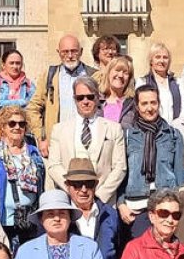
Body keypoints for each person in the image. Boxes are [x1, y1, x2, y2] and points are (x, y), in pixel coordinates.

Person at [119, 85, 184, 238]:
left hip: (165, 205)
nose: (149, 108)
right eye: (144, 104)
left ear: (159, 104)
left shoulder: (173, 135)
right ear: (137, 106)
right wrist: (121, 204)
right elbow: (121, 173)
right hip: (136, 207)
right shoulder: (128, 136)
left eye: (153, 103)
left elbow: (181, 177)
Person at [46, 76, 127, 204]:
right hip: (70, 202)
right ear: (74, 99)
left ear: (97, 97)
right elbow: (54, 165)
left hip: (103, 202)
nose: (85, 101)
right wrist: (73, 190)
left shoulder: (114, 128)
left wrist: (100, 195)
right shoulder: (59, 130)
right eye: (80, 97)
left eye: (90, 97)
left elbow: (120, 167)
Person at [0, 105, 46, 250]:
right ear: (2, 127)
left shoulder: (33, 153)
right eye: (12, 123)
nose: (17, 127)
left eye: (22, 124)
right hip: (3, 219)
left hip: (29, 219)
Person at [27, 34, 94, 159]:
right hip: (56, 144)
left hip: (86, 142)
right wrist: (41, 137)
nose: (69, 55)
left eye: (74, 51)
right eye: (65, 52)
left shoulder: (93, 76)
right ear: (58, 52)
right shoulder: (50, 75)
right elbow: (33, 108)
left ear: (81, 52)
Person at [138, 42, 183, 122]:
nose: (162, 61)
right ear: (151, 60)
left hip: (174, 129)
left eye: (165, 57)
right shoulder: (142, 82)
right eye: (158, 57)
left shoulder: (178, 83)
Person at [98, 55, 137, 125]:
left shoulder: (134, 104)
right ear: (108, 73)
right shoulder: (96, 101)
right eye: (117, 70)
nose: (120, 75)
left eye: (125, 73)